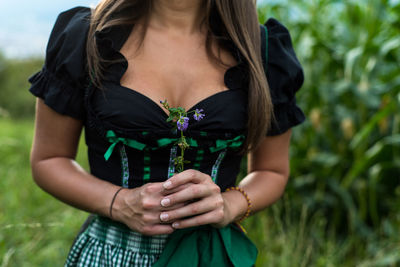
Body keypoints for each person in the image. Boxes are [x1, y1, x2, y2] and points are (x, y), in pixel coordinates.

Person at [28, 0, 305, 266]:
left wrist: (228, 205)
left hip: (209, 257)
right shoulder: (86, 36)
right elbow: (49, 160)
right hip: (110, 256)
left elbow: (272, 171)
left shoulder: (263, 53)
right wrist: (119, 203)